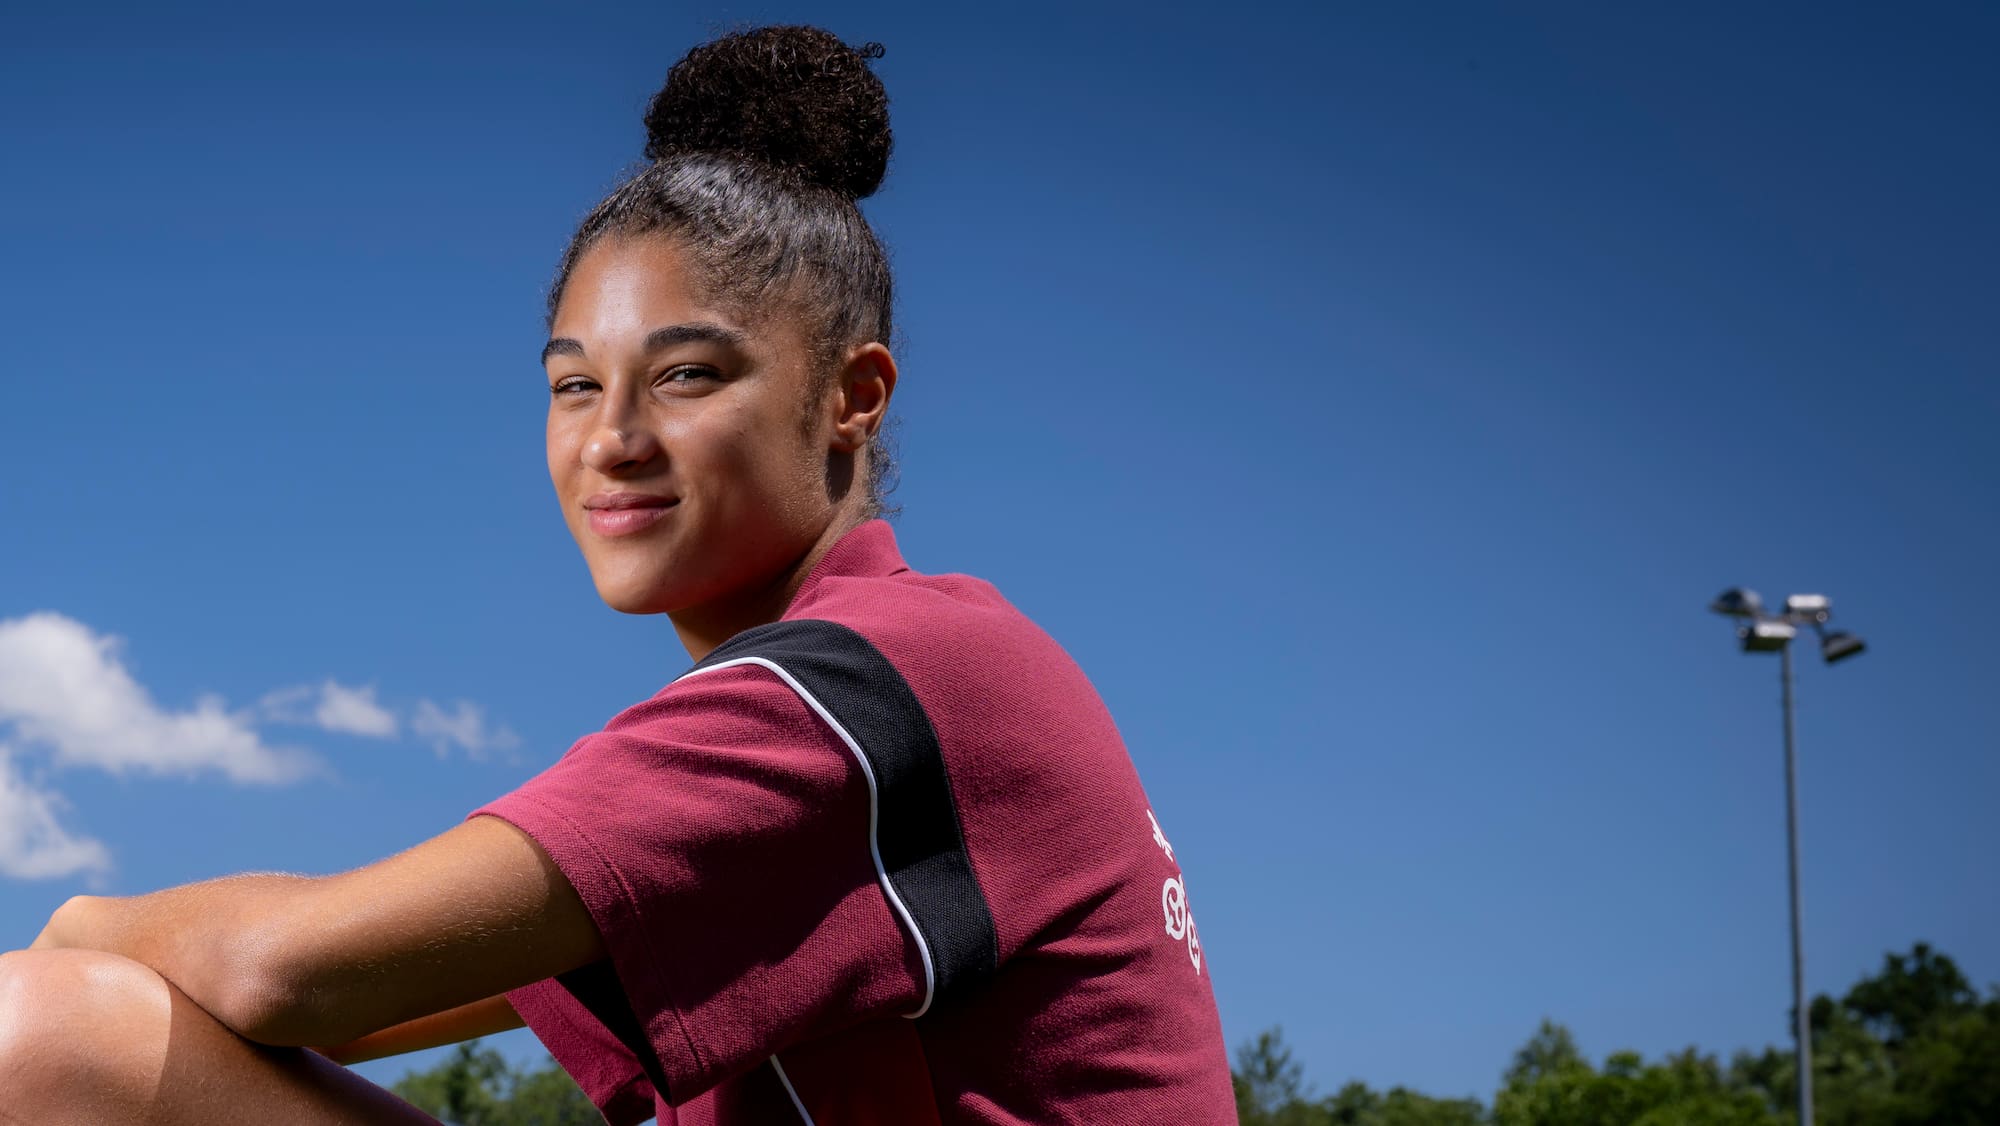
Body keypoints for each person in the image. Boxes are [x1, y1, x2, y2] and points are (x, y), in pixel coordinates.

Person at [0, 25, 1234, 1124]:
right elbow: (361, 1010)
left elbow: (283, 970)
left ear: (851, 396)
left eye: (687, 375)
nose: (611, 439)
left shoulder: (887, 685)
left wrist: (80, 925)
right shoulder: (843, 716)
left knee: (47, 1035)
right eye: (575, 385)